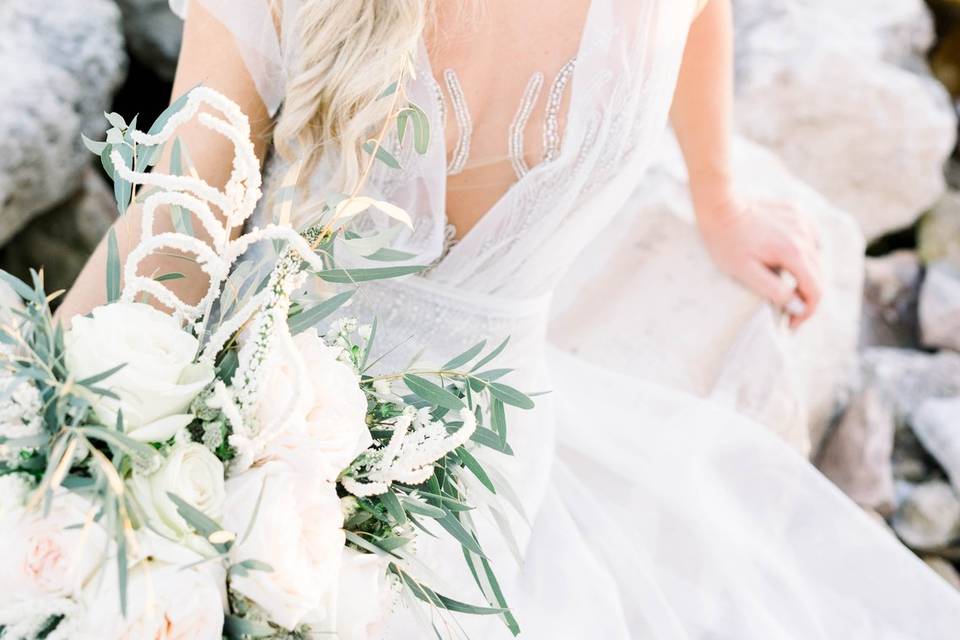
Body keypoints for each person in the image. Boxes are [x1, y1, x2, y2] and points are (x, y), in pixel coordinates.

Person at [59, 1, 960, 637]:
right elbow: (180, 215)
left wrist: (718, 190)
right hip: (349, 416)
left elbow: (178, 226)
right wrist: (717, 194)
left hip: (391, 435)